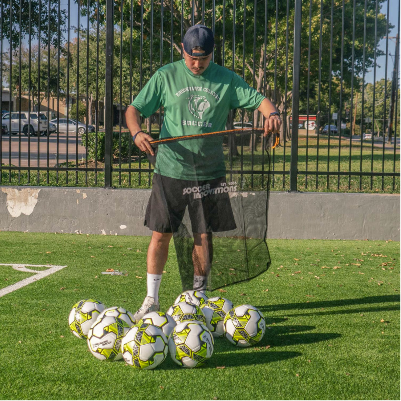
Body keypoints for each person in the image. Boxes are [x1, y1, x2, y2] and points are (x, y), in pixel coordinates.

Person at [125, 24, 282, 322]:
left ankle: (198, 296)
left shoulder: (226, 79)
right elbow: (133, 109)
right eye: (192, 58)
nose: (197, 64)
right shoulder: (165, 76)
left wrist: (271, 113)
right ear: (183, 51)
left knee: (202, 235)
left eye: (204, 59)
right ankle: (151, 299)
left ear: (212, 55)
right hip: (170, 169)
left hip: (209, 172)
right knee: (161, 235)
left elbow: (259, 100)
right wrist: (137, 133)